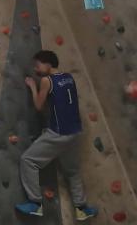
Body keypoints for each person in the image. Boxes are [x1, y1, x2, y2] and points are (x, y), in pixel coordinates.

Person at [16, 50, 97, 221]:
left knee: (28, 160)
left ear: (48, 63)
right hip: (75, 131)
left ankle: (35, 203)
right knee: (72, 171)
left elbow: (39, 106)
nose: (36, 69)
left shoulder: (47, 80)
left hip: (59, 132)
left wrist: (33, 86)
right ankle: (81, 208)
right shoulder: (69, 77)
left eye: (37, 65)